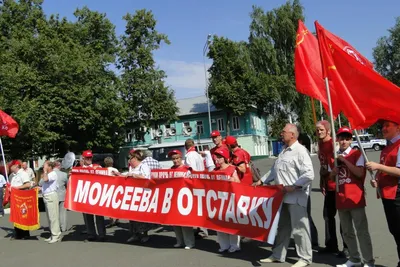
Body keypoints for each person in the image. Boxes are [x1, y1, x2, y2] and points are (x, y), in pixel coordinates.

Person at [260, 124, 314, 267]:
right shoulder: (284, 151)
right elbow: (274, 171)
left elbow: (309, 174)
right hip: (281, 197)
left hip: (296, 196)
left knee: (299, 228)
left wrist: (295, 186)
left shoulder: (301, 151)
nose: (281, 133)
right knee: (282, 227)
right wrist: (261, 181)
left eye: (283, 131)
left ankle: (305, 258)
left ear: (292, 135)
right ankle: (278, 254)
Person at [331, 127, 374, 267]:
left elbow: (360, 173)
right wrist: (333, 172)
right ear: (337, 139)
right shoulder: (335, 156)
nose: (343, 141)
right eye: (341, 138)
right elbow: (331, 178)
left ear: (350, 140)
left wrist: (345, 161)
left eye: (346, 138)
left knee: (362, 232)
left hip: (355, 198)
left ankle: (368, 261)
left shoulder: (357, 154)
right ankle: (354, 258)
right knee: (347, 233)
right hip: (341, 198)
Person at [366, 119, 400, 267]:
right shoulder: (388, 147)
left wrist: (378, 166)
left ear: (398, 128)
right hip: (388, 195)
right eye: (383, 126)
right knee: (395, 231)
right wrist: (378, 180)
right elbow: (386, 171)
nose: (383, 129)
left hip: (397, 195)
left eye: (387, 126)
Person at [316, 120, 348, 257]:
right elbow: (323, 165)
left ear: (328, 131)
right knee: (328, 216)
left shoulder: (333, 144)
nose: (318, 132)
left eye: (321, 130)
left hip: (338, 185)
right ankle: (331, 244)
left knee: (343, 217)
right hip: (328, 185)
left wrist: (328, 174)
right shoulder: (320, 144)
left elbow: (337, 164)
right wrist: (321, 180)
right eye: (317, 130)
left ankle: (347, 246)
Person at [212, 147, 241, 253]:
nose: (217, 160)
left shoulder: (232, 169)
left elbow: (238, 183)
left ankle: (234, 245)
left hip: (230, 201)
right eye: (216, 157)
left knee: (231, 224)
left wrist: (232, 180)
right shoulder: (214, 171)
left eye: (219, 157)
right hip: (218, 201)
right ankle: (224, 245)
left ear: (224, 158)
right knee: (219, 225)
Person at [126, 150, 157, 243]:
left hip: (142, 194)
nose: (129, 161)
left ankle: (144, 234)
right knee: (132, 216)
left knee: (142, 216)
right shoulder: (132, 168)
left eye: (130, 158)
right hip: (132, 194)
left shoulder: (144, 166)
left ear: (135, 158)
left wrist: (135, 175)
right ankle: (135, 234)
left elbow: (146, 177)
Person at [168, 149, 195, 249]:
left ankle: (189, 242)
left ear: (181, 158)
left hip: (185, 198)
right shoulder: (171, 170)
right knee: (175, 221)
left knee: (185, 222)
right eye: (173, 159)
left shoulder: (187, 169)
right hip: (174, 198)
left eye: (177, 158)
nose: (175, 161)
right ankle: (179, 241)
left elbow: (192, 182)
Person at [81, 150, 106, 242]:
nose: (89, 159)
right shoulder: (79, 169)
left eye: (90, 157)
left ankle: (102, 234)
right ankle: (91, 234)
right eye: (87, 158)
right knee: (87, 216)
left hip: (96, 194)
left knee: (99, 215)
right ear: (83, 158)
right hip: (85, 195)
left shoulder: (97, 167)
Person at [9, 160, 31, 239]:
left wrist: (17, 188)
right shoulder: (13, 175)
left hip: (22, 197)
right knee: (16, 216)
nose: (10, 167)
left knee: (23, 214)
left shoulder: (23, 174)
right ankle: (18, 233)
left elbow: (28, 184)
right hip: (15, 198)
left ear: (16, 166)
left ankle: (25, 233)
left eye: (12, 165)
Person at [41, 161, 62, 243]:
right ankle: (52, 233)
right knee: (49, 217)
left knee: (53, 216)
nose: (43, 167)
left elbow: (45, 179)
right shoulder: (48, 174)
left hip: (51, 196)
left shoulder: (53, 173)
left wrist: (45, 171)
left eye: (45, 165)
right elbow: (44, 181)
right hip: (46, 196)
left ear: (49, 166)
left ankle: (56, 235)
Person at [104, 157, 121, 228]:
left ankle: (111, 220)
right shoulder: (115, 170)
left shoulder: (104, 170)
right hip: (115, 188)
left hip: (108, 189)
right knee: (116, 204)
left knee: (109, 205)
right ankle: (117, 219)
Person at [54, 160, 68, 232]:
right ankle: (63, 227)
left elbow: (40, 183)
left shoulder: (50, 174)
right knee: (62, 213)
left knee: (54, 213)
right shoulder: (64, 174)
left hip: (53, 195)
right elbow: (68, 184)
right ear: (59, 166)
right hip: (62, 195)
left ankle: (55, 228)